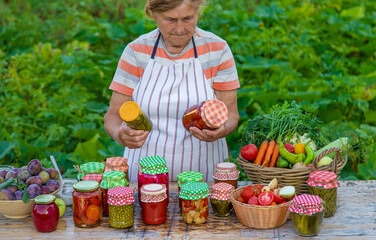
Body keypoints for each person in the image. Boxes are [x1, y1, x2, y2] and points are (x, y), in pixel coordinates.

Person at [104, 0, 240, 182]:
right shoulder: (136, 52)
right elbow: (113, 115)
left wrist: (222, 130)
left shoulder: (217, 50)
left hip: (204, 177)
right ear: (154, 15)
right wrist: (119, 134)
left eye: (187, 19)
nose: (179, 29)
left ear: (198, 12)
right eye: (170, 19)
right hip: (145, 177)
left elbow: (232, 114)